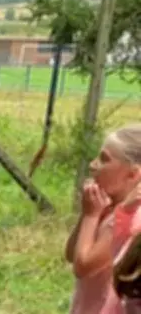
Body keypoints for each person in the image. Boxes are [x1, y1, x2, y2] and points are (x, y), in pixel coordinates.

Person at [65, 123, 141, 313]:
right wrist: (87, 213)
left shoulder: (130, 219)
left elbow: (83, 267)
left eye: (104, 159)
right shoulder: (106, 207)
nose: (93, 165)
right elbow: (70, 254)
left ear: (132, 174)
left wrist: (91, 216)